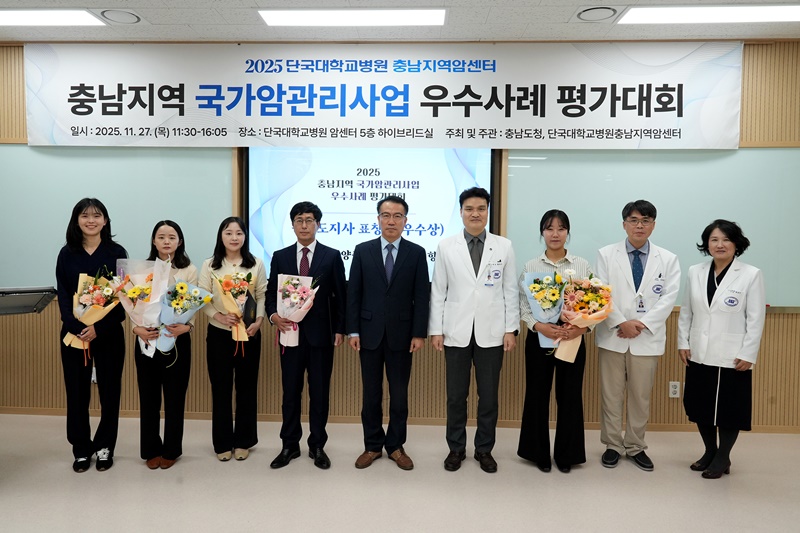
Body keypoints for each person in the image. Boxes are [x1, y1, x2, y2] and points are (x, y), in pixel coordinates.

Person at [429, 187, 519, 474]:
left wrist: (511, 329)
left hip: (492, 332)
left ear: (488, 211)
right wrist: (436, 330)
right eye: (469, 209)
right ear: (461, 212)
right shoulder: (446, 246)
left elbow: (510, 290)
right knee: (456, 396)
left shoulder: (503, 246)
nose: (475, 214)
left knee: (488, 396)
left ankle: (484, 449)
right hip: (455, 330)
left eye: (481, 208)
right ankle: (456, 448)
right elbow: (438, 291)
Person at [594, 200, 680, 472]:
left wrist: (640, 324)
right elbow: (600, 293)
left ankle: (635, 446)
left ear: (653, 225)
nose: (639, 225)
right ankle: (612, 445)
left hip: (646, 338)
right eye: (633, 220)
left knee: (640, 396)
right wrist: (621, 322)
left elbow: (668, 298)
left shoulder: (668, 259)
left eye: (645, 220)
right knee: (611, 395)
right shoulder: (606, 254)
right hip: (613, 336)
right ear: (624, 224)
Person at [347, 195, 429, 471]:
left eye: (397, 216)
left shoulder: (416, 253)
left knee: (399, 395)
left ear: (405, 220)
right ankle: (372, 445)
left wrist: (419, 333)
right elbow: (354, 293)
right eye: (386, 215)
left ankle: (395, 446)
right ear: (378, 219)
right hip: (368, 333)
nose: (391, 221)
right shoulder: (362, 250)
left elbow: (422, 296)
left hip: (403, 336)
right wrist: (353, 330)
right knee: (371, 394)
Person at [678, 220, 765, 479]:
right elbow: (686, 312)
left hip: (732, 353)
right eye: (714, 239)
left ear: (736, 244)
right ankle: (710, 451)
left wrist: (749, 353)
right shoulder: (695, 271)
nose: (720, 245)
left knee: (730, 408)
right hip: (699, 350)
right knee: (700, 405)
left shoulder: (750, 274)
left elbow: (756, 319)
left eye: (726, 239)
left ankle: (723, 456)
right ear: (707, 244)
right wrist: (683, 342)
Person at [267, 201, 346, 470]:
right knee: (290, 392)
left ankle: (317, 445)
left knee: (319, 393)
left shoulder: (331, 256)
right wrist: (273, 316)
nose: (304, 225)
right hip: (289, 334)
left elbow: (340, 296)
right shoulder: (280, 256)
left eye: (309, 220)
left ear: (317, 224)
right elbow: (271, 294)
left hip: (321, 336)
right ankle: (289, 445)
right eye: (299, 220)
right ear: (292, 225)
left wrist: (339, 329)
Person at [517, 210, 592, 474]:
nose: (555, 234)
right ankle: (537, 452)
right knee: (537, 394)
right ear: (542, 233)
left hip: (572, 338)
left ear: (568, 232)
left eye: (561, 228)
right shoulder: (531, 267)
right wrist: (539, 326)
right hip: (540, 337)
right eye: (549, 228)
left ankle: (567, 454)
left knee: (570, 395)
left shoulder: (582, 266)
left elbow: (595, 304)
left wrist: (581, 329)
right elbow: (523, 305)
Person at [55, 198, 127, 473]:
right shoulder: (67, 253)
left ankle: (105, 446)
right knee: (76, 393)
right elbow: (63, 293)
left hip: (108, 334)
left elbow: (124, 299)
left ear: (105, 221)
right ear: (77, 220)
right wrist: (74, 325)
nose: (91, 220)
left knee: (110, 392)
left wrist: (100, 328)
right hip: (75, 334)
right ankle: (81, 449)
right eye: (85, 216)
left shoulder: (117, 252)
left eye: (97, 216)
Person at [198, 216, 267, 462]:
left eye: (239, 233)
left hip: (249, 333)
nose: (234, 237)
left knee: (247, 388)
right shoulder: (210, 265)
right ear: (221, 236)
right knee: (221, 388)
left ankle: (244, 441)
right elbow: (203, 297)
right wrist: (218, 315)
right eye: (228, 233)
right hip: (220, 333)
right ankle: (223, 443)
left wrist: (259, 321)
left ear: (245, 237)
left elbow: (261, 295)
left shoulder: (256, 263)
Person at [132, 220, 196, 470]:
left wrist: (187, 327)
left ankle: (171, 450)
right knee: (148, 398)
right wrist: (136, 328)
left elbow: (194, 304)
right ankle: (150, 449)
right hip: (146, 338)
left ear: (180, 241)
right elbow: (132, 302)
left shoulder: (188, 270)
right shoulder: (141, 270)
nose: (166, 241)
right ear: (154, 241)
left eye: (172, 237)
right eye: (161, 237)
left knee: (175, 397)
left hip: (176, 338)